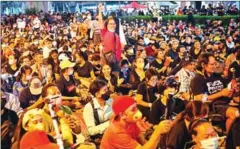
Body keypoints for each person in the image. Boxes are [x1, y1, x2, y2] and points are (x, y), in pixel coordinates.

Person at [190, 52, 239, 132]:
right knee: (235, 113)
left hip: (226, 103)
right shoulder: (197, 80)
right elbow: (200, 99)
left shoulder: (216, 76)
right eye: (212, 64)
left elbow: (227, 92)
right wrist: (221, 93)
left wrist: (234, 90)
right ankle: (231, 140)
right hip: (212, 107)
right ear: (203, 65)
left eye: (215, 64)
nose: (214, 66)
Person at [100, 95, 172, 149]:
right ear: (122, 115)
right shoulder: (117, 132)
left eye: (136, 107)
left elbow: (142, 141)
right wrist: (157, 133)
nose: (137, 111)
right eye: (133, 109)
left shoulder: (130, 121)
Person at [83, 79, 113, 147]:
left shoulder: (111, 101)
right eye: (104, 90)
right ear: (97, 94)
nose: (107, 92)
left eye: (107, 89)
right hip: (98, 138)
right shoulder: (89, 108)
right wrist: (109, 123)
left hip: (111, 132)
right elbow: (91, 130)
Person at [98, 3, 122, 75]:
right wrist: (100, 10)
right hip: (106, 59)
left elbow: (119, 48)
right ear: (107, 25)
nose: (112, 25)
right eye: (110, 23)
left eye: (114, 23)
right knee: (105, 77)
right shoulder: (104, 32)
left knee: (115, 77)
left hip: (115, 60)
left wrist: (119, 59)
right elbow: (100, 21)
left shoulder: (117, 35)